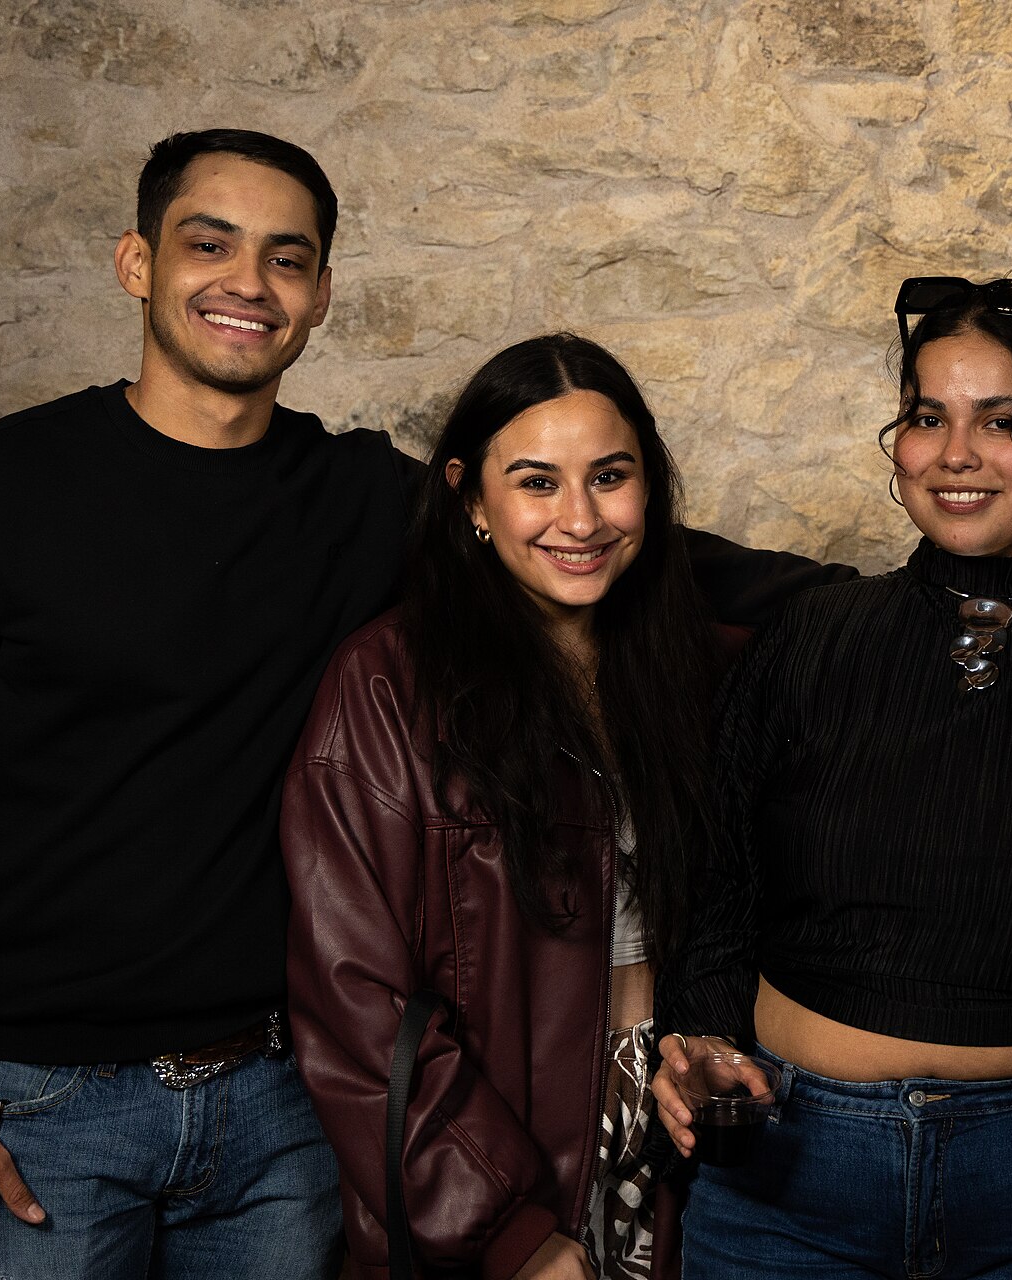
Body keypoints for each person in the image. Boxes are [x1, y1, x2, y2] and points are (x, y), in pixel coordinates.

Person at [0, 130, 846, 1280]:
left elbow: (584, 542)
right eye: (210, 245)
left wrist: (888, 599)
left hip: (282, 1106)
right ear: (135, 263)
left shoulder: (360, 499)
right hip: (49, 1103)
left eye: (287, 259)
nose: (248, 283)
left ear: (316, 300)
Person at [651, 276, 1012, 1279]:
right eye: (927, 416)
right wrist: (699, 1036)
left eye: (1002, 421)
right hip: (789, 1170)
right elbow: (718, 884)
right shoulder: (810, 637)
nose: (956, 453)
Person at [282, 333, 745, 1280]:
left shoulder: (697, 672)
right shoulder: (388, 688)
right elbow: (355, 1004)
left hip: (676, 1159)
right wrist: (508, 1231)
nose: (580, 518)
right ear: (470, 498)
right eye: (536, 482)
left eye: (609, 476)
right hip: (492, 1174)